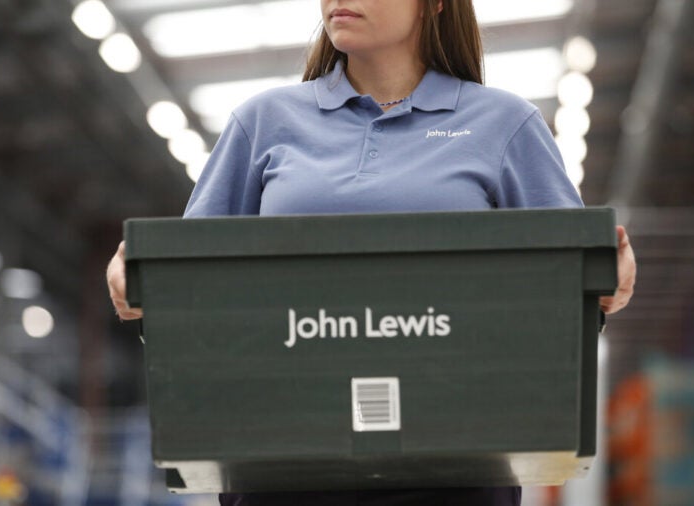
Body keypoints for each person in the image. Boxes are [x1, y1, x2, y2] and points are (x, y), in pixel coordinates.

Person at [107, 1, 636, 504]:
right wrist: (143, 286)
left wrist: (602, 289)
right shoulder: (261, 124)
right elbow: (190, 293)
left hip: (457, 473)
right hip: (280, 472)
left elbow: (565, 295)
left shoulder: (504, 126)